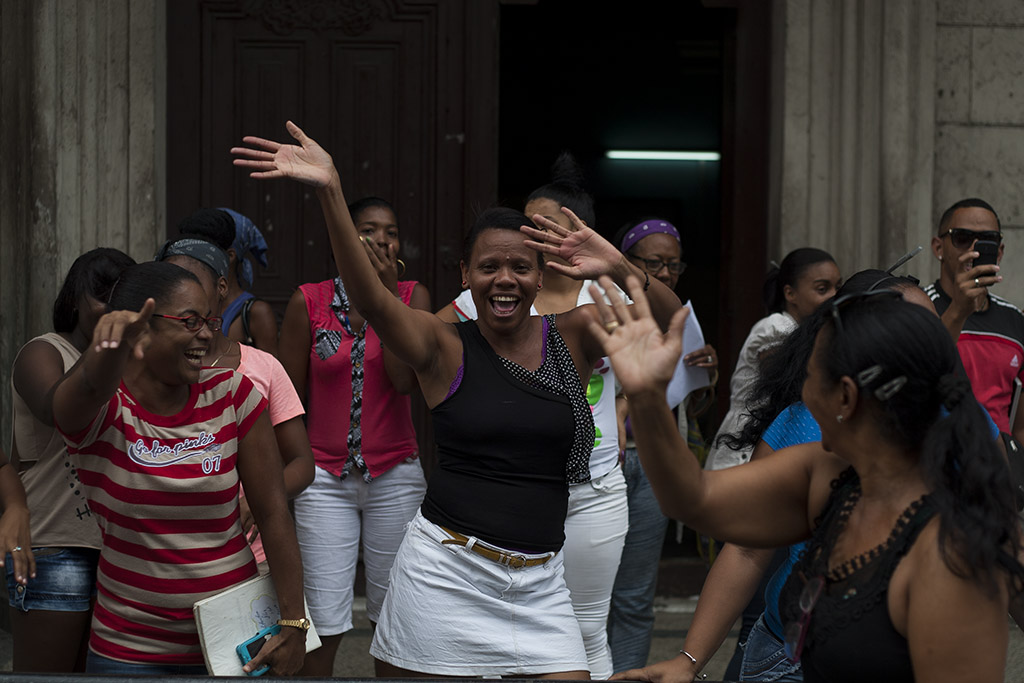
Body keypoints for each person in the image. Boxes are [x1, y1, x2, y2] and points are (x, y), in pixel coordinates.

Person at [231, 121, 682, 678]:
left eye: (521, 266)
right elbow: (373, 299)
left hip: (542, 580)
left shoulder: (576, 331)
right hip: (445, 575)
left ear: (543, 275)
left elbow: (673, 320)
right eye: (488, 266)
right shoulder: (443, 344)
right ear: (465, 274)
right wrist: (331, 191)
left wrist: (615, 262)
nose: (505, 280)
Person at [592, 273, 1024, 683]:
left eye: (811, 377)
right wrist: (647, 396)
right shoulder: (827, 473)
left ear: (846, 397)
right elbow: (692, 500)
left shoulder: (951, 555)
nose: (801, 393)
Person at [51, 261, 307, 676]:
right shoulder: (103, 410)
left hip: (237, 648)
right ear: (141, 327)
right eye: (190, 321)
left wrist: (294, 624)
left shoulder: (233, 394)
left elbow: (274, 514)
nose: (206, 334)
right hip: (129, 653)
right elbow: (80, 394)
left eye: (209, 320)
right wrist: (105, 354)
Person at [436, 154, 633, 679]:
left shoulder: (600, 295)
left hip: (592, 489)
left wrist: (616, 265)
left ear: (576, 231)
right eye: (525, 222)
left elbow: (667, 323)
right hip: (509, 492)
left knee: (586, 627)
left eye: (541, 225)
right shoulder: (492, 291)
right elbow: (419, 352)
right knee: (493, 637)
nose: (526, 235)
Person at [277, 196, 430, 677]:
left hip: (396, 475)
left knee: (396, 616)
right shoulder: (310, 300)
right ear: (346, 237)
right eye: (369, 230)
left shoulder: (412, 297)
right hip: (323, 479)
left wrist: (385, 298)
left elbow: (406, 380)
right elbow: (286, 400)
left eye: (390, 231)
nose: (382, 240)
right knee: (323, 616)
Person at [8, 247, 134, 672]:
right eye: (102, 299)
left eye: (123, 301)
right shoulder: (42, 353)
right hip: (54, 546)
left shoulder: (126, 363)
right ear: (76, 297)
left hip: (117, 549)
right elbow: (57, 410)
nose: (111, 312)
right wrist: (107, 349)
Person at [155, 236, 314, 569]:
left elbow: (301, 462)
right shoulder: (152, 371)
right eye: (169, 287)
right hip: (165, 557)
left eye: (193, 284)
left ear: (221, 288)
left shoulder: (263, 368)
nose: (181, 297)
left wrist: (260, 500)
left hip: (250, 555)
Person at [607, 217, 718, 672]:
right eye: (654, 263)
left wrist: (706, 373)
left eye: (674, 265)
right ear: (624, 260)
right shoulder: (595, 306)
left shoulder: (678, 320)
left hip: (653, 466)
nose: (667, 274)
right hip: (602, 465)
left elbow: (689, 408)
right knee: (581, 595)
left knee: (634, 598)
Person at [705, 248, 839, 471]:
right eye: (822, 289)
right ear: (790, 294)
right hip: (744, 447)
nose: (834, 296)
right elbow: (788, 386)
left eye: (838, 287)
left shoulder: (803, 332)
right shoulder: (776, 327)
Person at [924, 197, 1024, 443]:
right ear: (938, 248)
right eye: (962, 238)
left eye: (987, 241)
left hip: (999, 468)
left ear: (999, 252)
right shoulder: (917, 306)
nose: (974, 249)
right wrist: (958, 309)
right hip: (935, 459)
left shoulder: (1015, 320)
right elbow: (918, 374)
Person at [178, 207, 280, 355]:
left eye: (203, 254)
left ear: (230, 256)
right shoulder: (181, 306)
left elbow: (270, 374)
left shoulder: (255, 313)